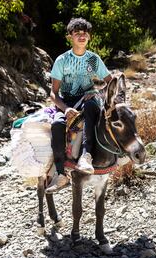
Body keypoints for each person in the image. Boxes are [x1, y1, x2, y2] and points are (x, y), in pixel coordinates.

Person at [46, 18, 112, 193]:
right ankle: (60, 175)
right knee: (57, 125)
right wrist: (65, 108)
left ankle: (86, 156)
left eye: (85, 33)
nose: (82, 36)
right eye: (77, 33)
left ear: (89, 36)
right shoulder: (62, 60)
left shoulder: (93, 59)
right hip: (66, 102)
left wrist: (97, 92)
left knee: (91, 106)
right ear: (70, 36)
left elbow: (110, 82)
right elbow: (53, 93)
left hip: (88, 99)